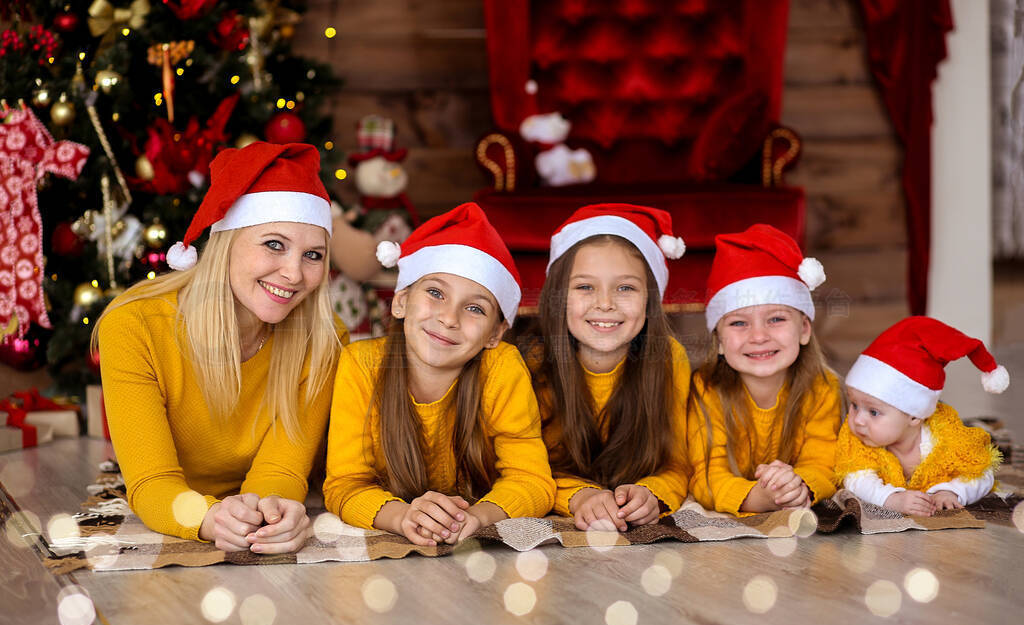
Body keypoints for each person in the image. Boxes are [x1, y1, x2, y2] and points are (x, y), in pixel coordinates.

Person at [93, 142, 345, 553]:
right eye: (274, 244)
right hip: (180, 503)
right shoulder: (134, 326)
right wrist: (207, 519)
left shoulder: (323, 339)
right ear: (226, 241)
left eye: (313, 254)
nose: (294, 273)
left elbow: (281, 467)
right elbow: (152, 481)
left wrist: (270, 514)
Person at [323, 202, 555, 546]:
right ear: (400, 301)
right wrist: (402, 517)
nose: (449, 318)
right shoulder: (361, 364)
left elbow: (532, 480)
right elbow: (344, 484)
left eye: (475, 308)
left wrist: (476, 516)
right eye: (435, 293)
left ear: (495, 333)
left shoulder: (502, 367)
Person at [528, 203, 692, 532]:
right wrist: (580, 496)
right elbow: (520, 470)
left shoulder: (669, 359)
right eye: (585, 287)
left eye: (625, 288)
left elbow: (677, 463)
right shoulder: (533, 364)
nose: (605, 304)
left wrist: (652, 494)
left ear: (650, 300)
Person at [687, 224, 841, 515]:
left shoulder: (822, 389)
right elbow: (705, 474)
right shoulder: (705, 390)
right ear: (719, 340)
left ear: (804, 329)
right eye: (739, 323)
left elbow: (824, 463)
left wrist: (799, 486)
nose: (758, 336)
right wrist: (756, 498)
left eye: (776, 319)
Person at [835, 317, 1007, 515]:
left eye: (873, 412)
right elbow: (855, 478)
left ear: (914, 416)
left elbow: (982, 473)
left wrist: (952, 491)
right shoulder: (858, 438)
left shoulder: (946, 438)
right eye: (854, 405)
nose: (857, 419)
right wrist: (890, 498)